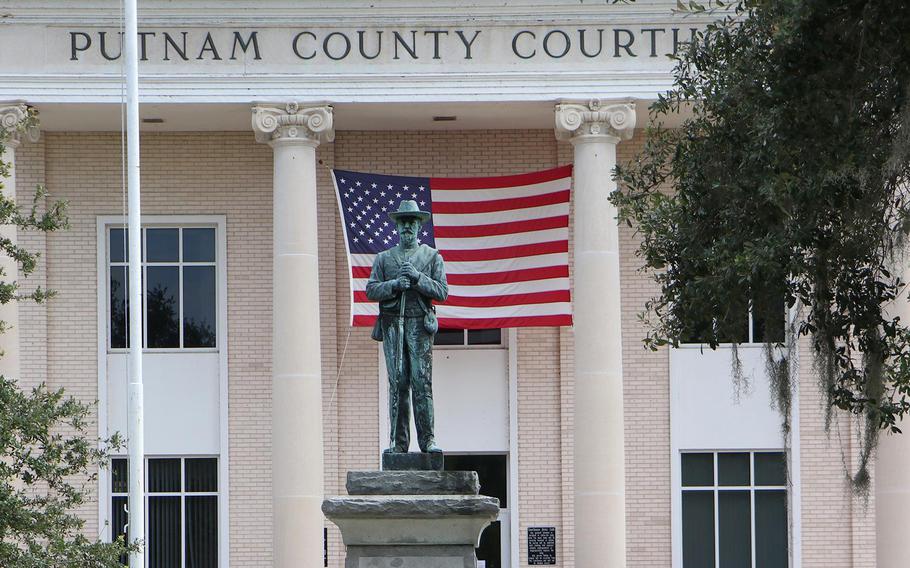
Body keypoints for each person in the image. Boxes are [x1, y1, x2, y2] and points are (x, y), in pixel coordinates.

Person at [366, 200, 448, 454]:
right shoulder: (384, 258)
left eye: (412, 222)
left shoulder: (432, 256)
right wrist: (394, 285)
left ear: (419, 226)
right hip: (393, 323)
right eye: (403, 222)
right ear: (397, 227)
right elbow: (371, 289)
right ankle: (398, 444)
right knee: (398, 383)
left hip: (419, 324)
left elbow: (442, 291)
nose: (407, 227)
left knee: (421, 383)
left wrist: (417, 278)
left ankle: (428, 442)